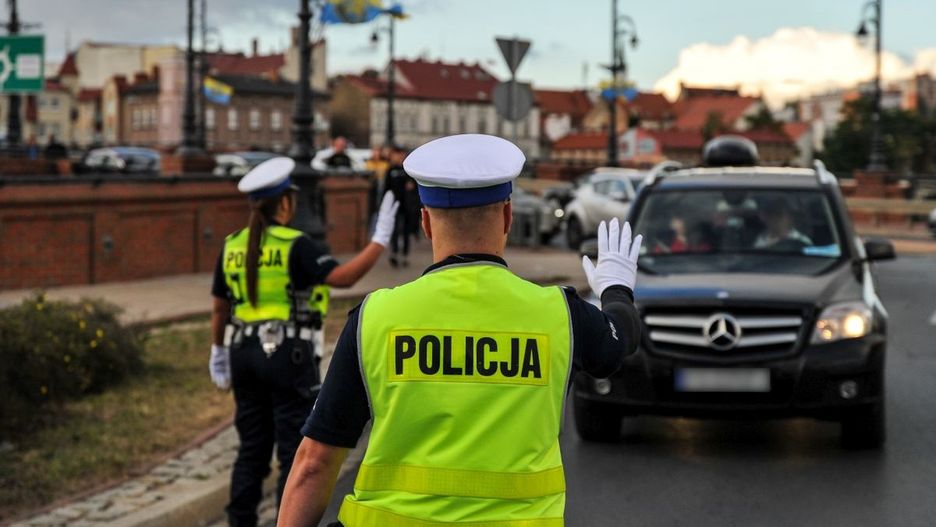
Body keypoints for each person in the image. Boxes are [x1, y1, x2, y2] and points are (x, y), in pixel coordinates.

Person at [277, 134, 643, 526]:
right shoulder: (560, 314)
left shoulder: (375, 317)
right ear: (507, 216)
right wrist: (616, 289)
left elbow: (314, 463)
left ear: (425, 223)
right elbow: (618, 342)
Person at [208, 157, 399, 527]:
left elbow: (219, 307)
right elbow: (342, 278)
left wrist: (218, 351)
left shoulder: (232, 245)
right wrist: (379, 242)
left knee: (251, 450)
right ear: (284, 203)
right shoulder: (296, 244)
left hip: (241, 354)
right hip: (287, 357)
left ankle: (240, 521)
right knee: (290, 452)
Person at [383, 146, 417, 267]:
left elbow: (414, 187)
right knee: (395, 230)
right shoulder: (390, 170)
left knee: (406, 230)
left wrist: (411, 188)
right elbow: (386, 188)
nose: (399, 157)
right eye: (396, 155)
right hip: (394, 204)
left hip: (407, 204)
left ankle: (405, 254)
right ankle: (394, 253)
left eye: (401, 154)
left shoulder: (408, 170)